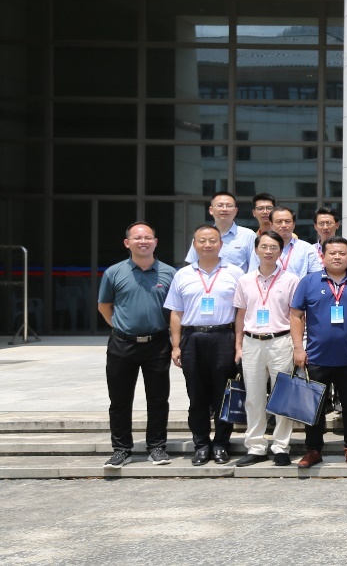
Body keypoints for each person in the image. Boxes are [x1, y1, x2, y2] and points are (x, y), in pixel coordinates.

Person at [99, 222, 177, 468]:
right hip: (122, 344)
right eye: (137, 238)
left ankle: (157, 447)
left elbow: (176, 310)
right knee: (120, 400)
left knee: (158, 399)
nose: (143, 241)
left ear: (155, 242)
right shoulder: (114, 272)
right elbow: (104, 305)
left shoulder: (169, 273)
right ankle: (121, 449)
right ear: (127, 243)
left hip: (157, 343)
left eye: (148, 237)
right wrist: (119, 326)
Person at [165, 225, 243, 466]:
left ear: (221, 244)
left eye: (212, 240)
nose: (207, 245)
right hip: (193, 338)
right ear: (194, 244)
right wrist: (176, 345)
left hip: (223, 337)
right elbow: (176, 312)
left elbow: (241, 312)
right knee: (196, 395)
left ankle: (221, 444)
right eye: (202, 241)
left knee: (223, 395)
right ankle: (200, 445)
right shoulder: (183, 274)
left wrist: (238, 345)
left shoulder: (235, 273)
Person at [291, 237, 347, 468]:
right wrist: (298, 348)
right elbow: (296, 315)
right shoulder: (308, 281)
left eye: (342, 253)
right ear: (323, 257)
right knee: (314, 407)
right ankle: (313, 449)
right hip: (316, 357)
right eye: (332, 253)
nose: (337, 257)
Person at [231, 230, 299, 467]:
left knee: (282, 397)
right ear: (256, 250)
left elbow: (296, 315)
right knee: (253, 397)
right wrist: (238, 345)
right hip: (252, 342)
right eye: (264, 247)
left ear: (281, 251)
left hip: (281, 341)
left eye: (274, 247)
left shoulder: (291, 280)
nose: (268, 251)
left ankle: (281, 446)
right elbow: (240, 315)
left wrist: (298, 346)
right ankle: (256, 446)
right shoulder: (245, 280)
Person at [184, 192, 256, 272]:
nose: (224, 209)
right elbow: (192, 265)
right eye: (220, 205)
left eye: (229, 206)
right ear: (211, 210)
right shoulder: (201, 235)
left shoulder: (248, 235)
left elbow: (254, 267)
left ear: (236, 211)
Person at [270, 207, 323, 279]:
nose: (283, 225)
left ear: (294, 224)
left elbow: (316, 276)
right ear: (271, 225)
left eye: (287, 221)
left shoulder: (306, 248)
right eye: (279, 221)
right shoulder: (263, 248)